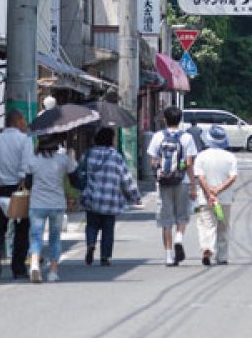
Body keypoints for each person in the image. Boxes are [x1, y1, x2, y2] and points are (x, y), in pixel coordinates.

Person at [0, 109, 34, 279]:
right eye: (23, 120)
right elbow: (27, 165)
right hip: (18, 188)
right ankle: (18, 267)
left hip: (0, 188)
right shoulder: (25, 140)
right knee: (22, 228)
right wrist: (23, 180)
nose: (25, 123)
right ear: (17, 120)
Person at [80, 127, 142, 266]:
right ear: (111, 140)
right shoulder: (116, 156)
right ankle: (105, 257)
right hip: (110, 199)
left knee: (91, 225)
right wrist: (135, 196)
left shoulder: (89, 154)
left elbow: (80, 172)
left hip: (92, 197)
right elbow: (126, 178)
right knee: (108, 229)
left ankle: (91, 244)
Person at [147, 106, 199, 266]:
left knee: (166, 220)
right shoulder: (187, 138)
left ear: (165, 119)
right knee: (182, 216)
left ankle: (169, 256)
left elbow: (153, 161)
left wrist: (160, 172)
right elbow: (189, 164)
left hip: (163, 182)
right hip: (182, 181)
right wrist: (193, 185)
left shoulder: (158, 136)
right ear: (180, 119)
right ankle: (179, 238)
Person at [27, 134, 76, 283]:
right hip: (57, 204)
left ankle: (34, 264)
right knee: (55, 238)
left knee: (36, 236)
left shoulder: (33, 160)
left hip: (37, 203)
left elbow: (28, 183)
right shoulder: (63, 160)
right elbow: (73, 176)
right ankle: (53, 272)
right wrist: (71, 156)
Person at [193, 125, 238, 266]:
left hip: (204, 199)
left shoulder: (201, 156)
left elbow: (200, 177)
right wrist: (218, 190)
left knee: (205, 224)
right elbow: (233, 177)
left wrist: (209, 193)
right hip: (224, 199)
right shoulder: (230, 157)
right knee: (223, 226)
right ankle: (222, 256)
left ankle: (207, 247)